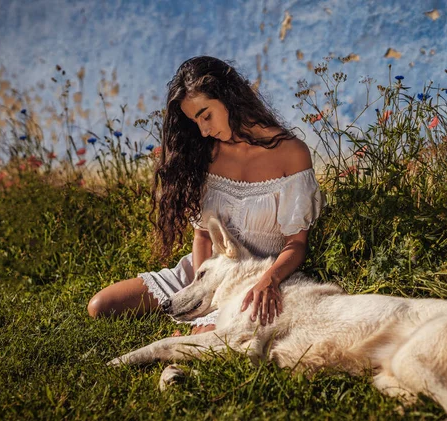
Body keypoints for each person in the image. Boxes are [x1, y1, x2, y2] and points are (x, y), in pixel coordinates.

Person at [87, 56, 323, 332]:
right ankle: (194, 316)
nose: (204, 130)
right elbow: (201, 236)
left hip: (254, 278)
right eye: (195, 122)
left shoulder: (291, 153)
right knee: (101, 305)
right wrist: (198, 292)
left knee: (208, 337)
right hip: (201, 272)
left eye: (206, 115)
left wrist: (268, 281)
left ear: (229, 97)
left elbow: (295, 244)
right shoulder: (209, 153)